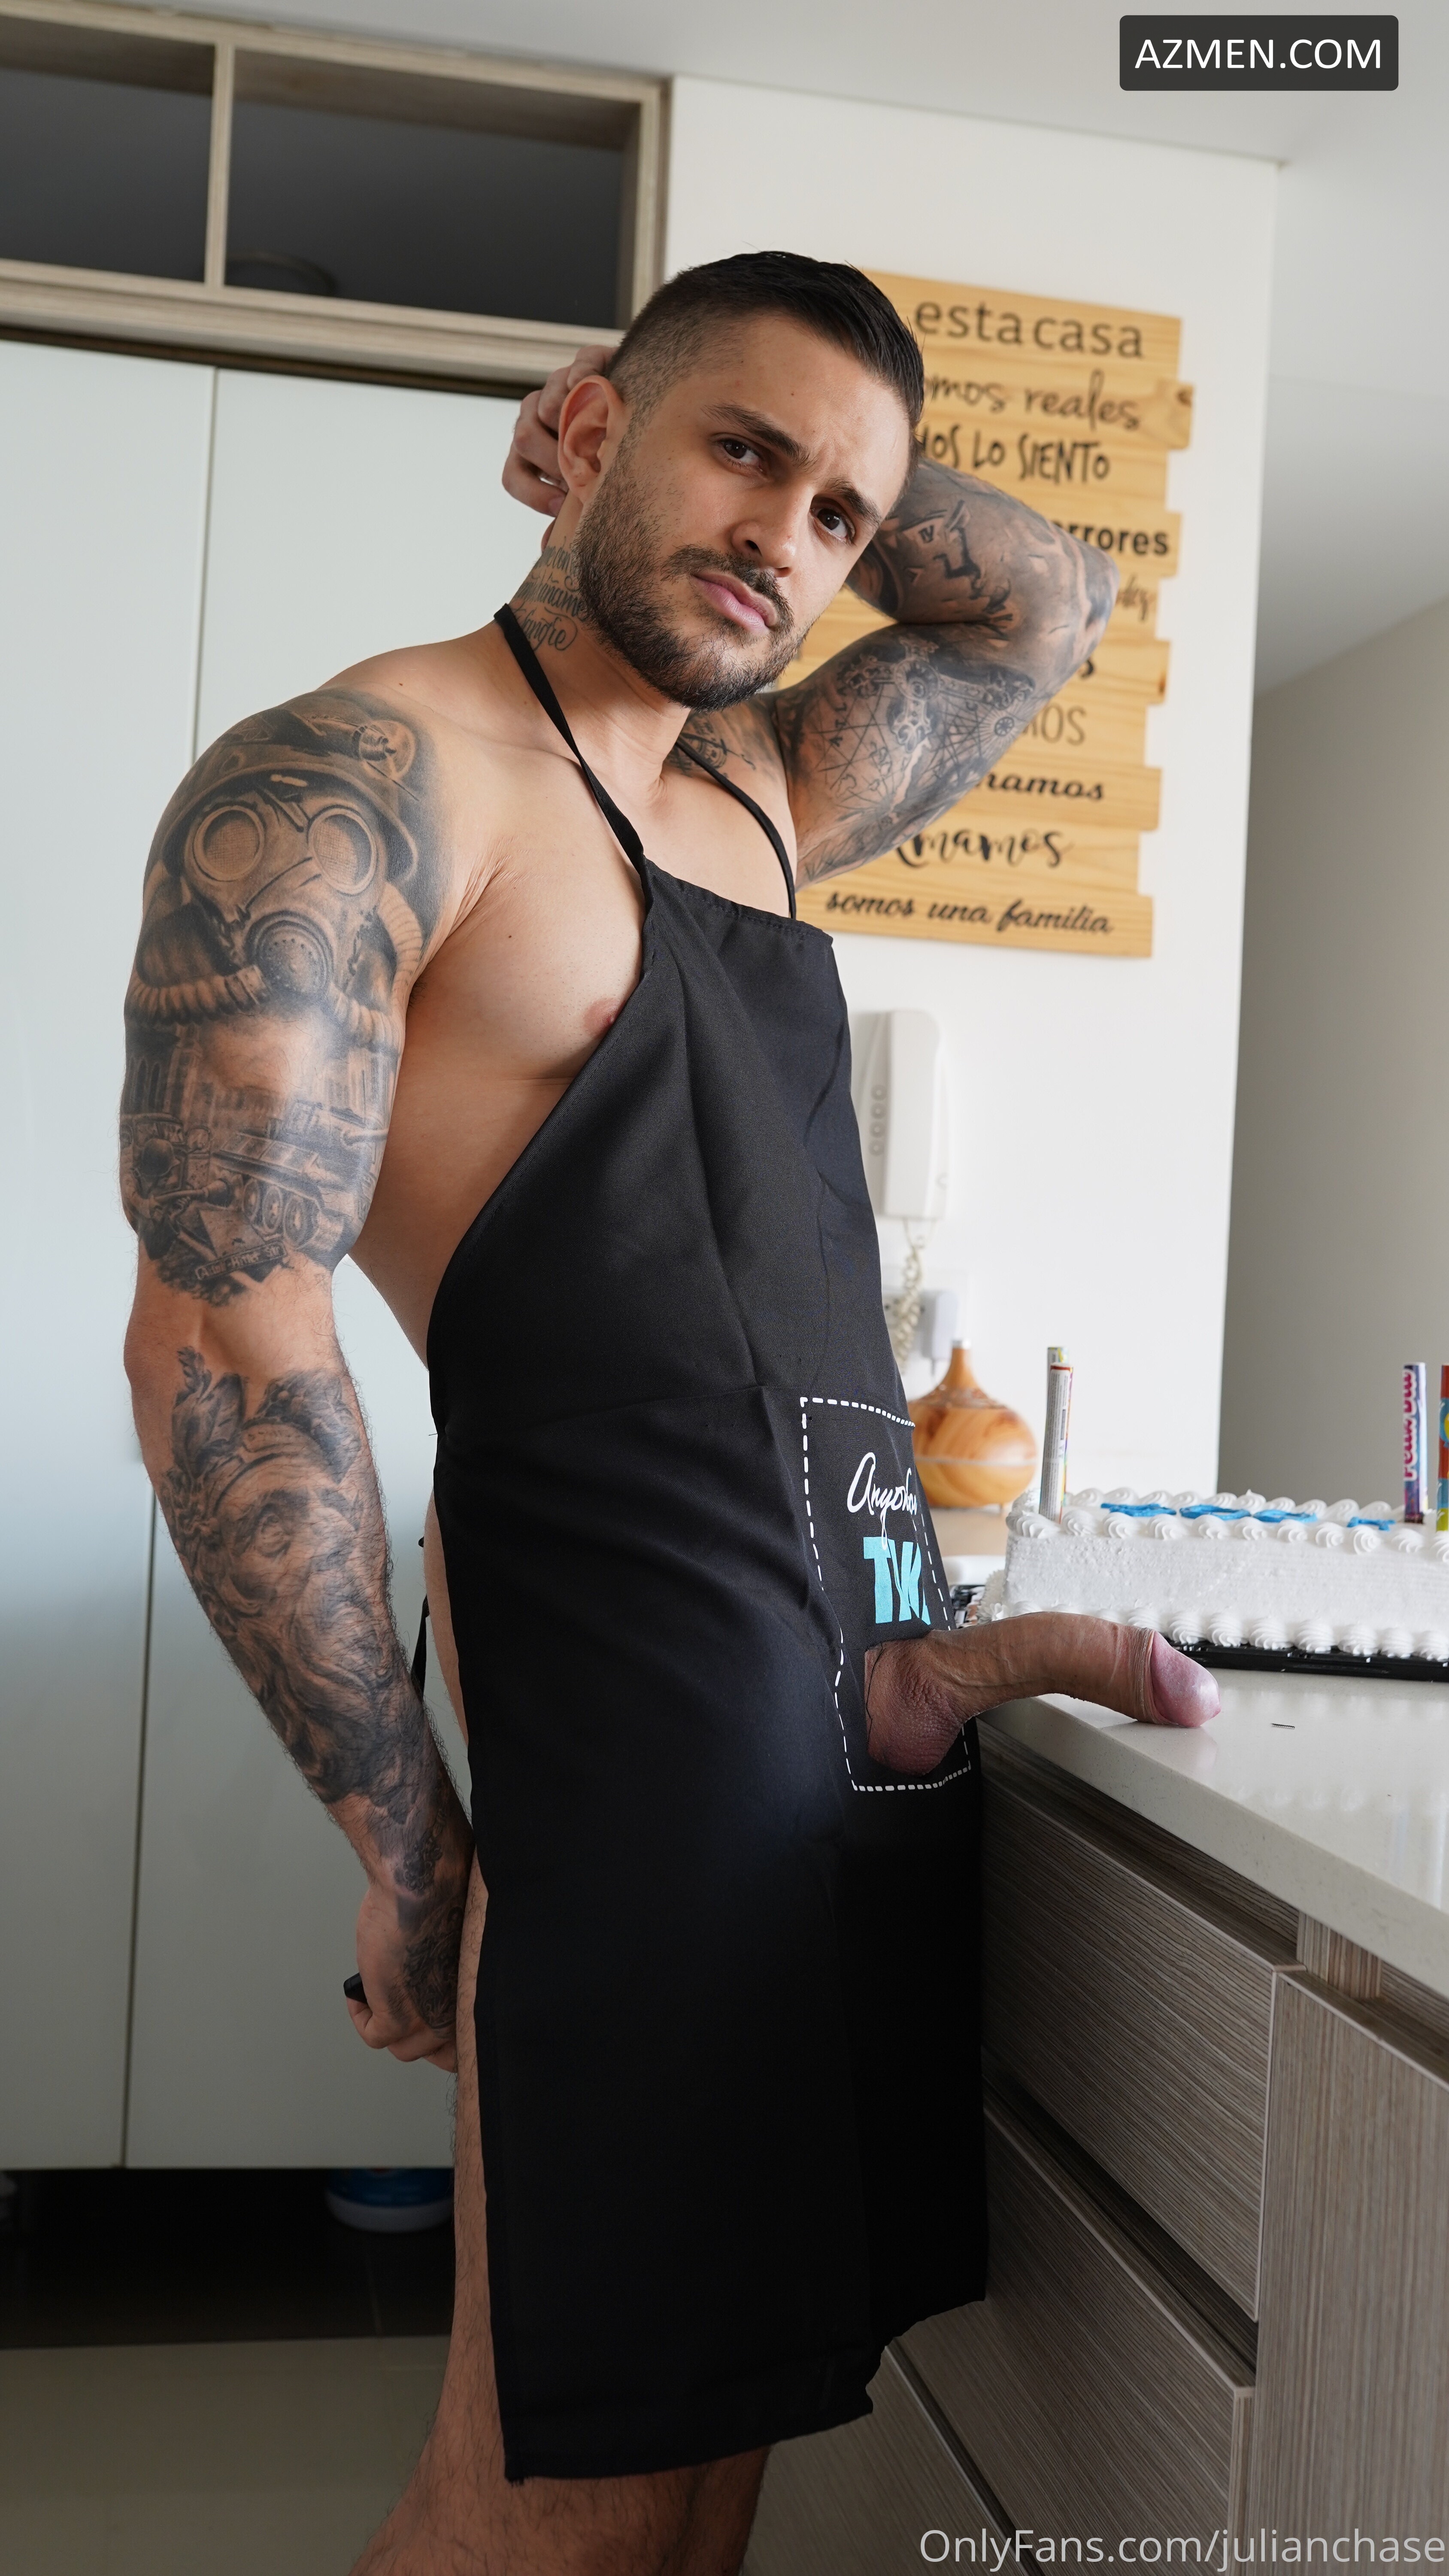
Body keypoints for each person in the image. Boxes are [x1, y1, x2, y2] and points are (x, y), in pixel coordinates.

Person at [121, 252, 1216, 2576]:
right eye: (743, 452)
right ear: (592, 428)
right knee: (563, 2504)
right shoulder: (364, 781)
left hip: (872, 1694)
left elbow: (1047, 602)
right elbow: (226, 1334)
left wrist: (821, 466)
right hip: (648, 1727)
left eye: (841, 518)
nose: (789, 542)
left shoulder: (765, 792)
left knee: (717, 2468)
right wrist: (407, 1842)